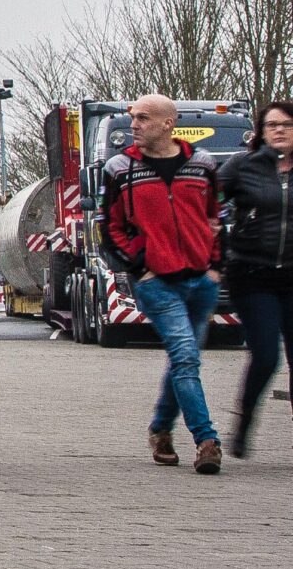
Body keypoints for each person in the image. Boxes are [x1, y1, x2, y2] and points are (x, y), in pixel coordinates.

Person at [101, 93, 225, 474]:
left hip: (200, 280)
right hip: (157, 283)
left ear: (168, 123)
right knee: (186, 356)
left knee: (182, 361)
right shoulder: (120, 168)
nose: (134, 125)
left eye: (143, 118)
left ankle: (160, 429)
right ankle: (207, 441)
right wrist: (141, 267)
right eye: (133, 117)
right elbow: (111, 228)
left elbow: (214, 218)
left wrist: (214, 265)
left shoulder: (202, 164)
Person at [219, 99, 293, 458]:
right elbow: (207, 205)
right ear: (261, 132)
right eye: (272, 125)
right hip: (252, 273)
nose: (279, 130)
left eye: (287, 124)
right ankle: (245, 418)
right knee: (266, 355)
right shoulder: (242, 167)